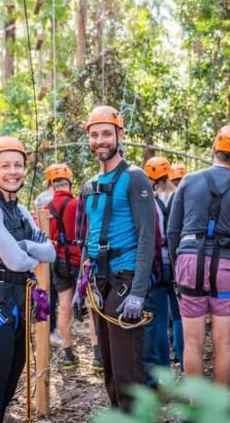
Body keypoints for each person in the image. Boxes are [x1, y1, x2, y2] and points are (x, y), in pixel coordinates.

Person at [72, 105, 156, 412]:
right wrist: (81, 287)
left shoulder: (135, 179)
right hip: (100, 281)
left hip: (125, 279)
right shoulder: (89, 186)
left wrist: (138, 293)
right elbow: (88, 241)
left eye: (106, 133)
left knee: (126, 368)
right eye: (94, 135)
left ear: (120, 135)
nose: (100, 140)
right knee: (107, 364)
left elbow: (148, 236)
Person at [0, 136, 56, 423]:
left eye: (18, 165)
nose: (13, 171)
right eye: (5, 165)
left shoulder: (18, 210)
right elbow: (16, 262)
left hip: (18, 305)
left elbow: (50, 252)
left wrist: (27, 247)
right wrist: (29, 252)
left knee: (6, 391)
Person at [167, 125, 230, 385]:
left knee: (193, 341)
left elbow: (173, 230)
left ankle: (196, 404)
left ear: (214, 149)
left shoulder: (189, 181)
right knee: (224, 342)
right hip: (227, 265)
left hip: (189, 259)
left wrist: (177, 266)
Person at [142, 156, 183, 374]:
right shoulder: (179, 196)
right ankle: (186, 367)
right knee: (179, 317)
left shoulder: (148, 200)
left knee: (157, 320)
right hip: (179, 263)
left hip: (157, 263)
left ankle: (163, 372)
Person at [44, 163, 84, 369]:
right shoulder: (78, 204)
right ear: (69, 182)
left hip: (57, 262)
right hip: (78, 259)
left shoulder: (46, 209)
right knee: (93, 308)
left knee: (64, 305)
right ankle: (97, 356)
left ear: (52, 185)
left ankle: (68, 354)